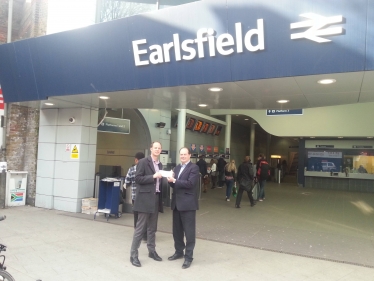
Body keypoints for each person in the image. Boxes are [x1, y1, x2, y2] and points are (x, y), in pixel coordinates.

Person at [130, 141, 164, 267]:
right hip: (144, 200)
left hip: (155, 198)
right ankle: (133, 254)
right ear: (151, 149)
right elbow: (137, 179)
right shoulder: (143, 162)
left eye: (159, 148)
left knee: (152, 228)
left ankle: (152, 251)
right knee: (140, 229)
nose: (157, 149)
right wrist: (153, 176)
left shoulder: (160, 164)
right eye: (155, 147)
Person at [167, 147, 200, 269]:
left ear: (189, 155)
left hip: (188, 205)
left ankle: (188, 257)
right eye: (181, 154)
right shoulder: (177, 168)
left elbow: (191, 184)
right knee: (177, 231)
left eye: (185, 154)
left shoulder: (194, 168)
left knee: (189, 232)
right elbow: (174, 185)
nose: (183, 156)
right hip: (176, 204)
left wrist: (175, 180)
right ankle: (179, 252)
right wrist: (170, 180)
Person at [124, 152, 146, 241]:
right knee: (145, 216)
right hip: (145, 197)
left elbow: (127, 181)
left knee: (136, 216)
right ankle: (145, 235)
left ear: (136, 160)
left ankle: (137, 235)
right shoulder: (147, 169)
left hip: (135, 197)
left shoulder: (132, 169)